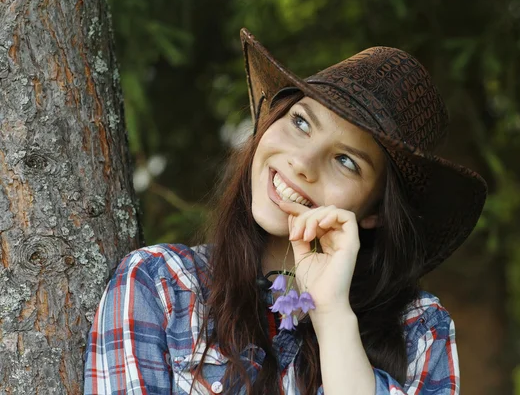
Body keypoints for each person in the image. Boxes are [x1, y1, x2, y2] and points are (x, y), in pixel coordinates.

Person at [84, 28, 487, 395]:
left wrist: (331, 316)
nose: (302, 163)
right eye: (300, 122)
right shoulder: (163, 287)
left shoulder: (420, 330)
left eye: (347, 161)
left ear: (375, 211)